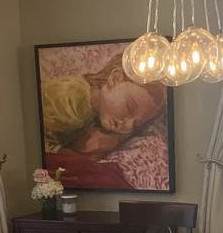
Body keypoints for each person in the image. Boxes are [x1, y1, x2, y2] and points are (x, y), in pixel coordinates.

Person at [40, 52, 168, 158]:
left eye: (135, 124)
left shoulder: (101, 113)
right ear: (115, 78)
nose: (128, 125)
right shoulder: (71, 97)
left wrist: (114, 138)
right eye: (129, 107)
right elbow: (40, 145)